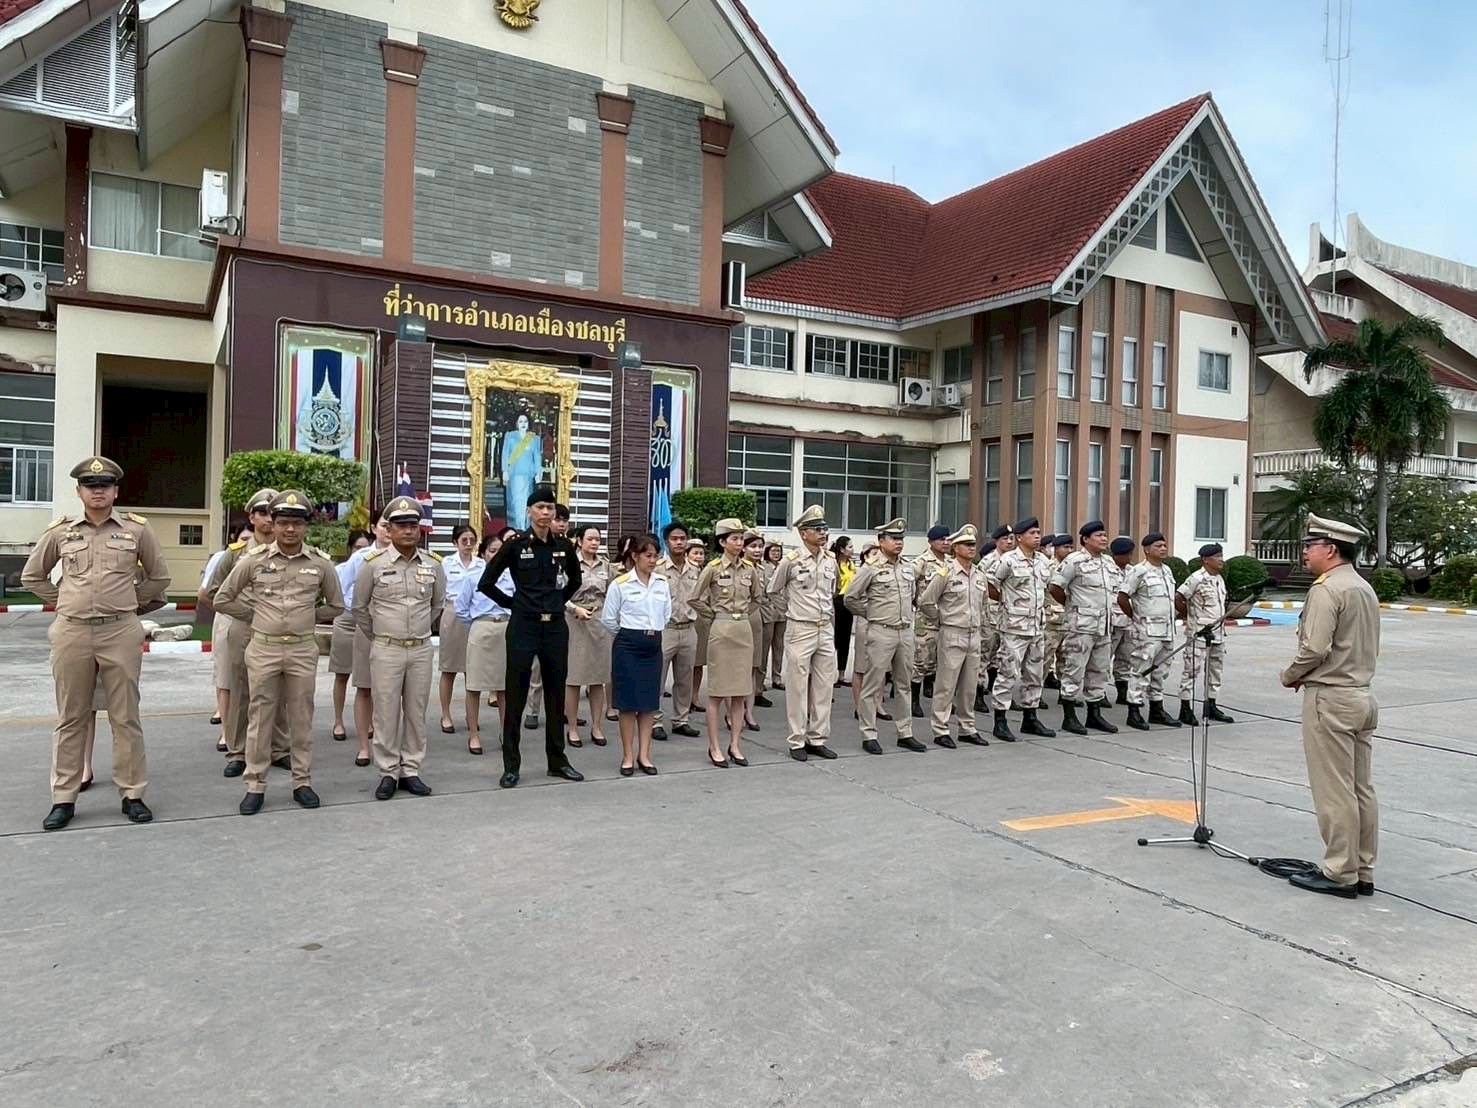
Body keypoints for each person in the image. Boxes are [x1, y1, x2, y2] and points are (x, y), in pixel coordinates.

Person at [25, 455, 170, 831]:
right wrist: (62, 598)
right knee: (71, 716)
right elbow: (32, 575)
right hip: (72, 630)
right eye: (91, 486)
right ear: (79, 492)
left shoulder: (136, 530)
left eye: (105, 485)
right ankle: (63, 798)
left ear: (116, 491)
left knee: (125, 717)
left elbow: (158, 577)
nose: (98, 490)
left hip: (120, 630)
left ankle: (133, 793)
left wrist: (131, 602)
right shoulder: (61, 532)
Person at [215, 491, 344, 815]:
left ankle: (302, 781)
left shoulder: (320, 563)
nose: (289, 530)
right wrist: (255, 615)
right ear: (272, 525)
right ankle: (255, 783)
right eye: (283, 522)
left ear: (306, 527)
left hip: (301, 648)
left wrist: (307, 617)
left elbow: (337, 604)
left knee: (301, 717)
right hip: (264, 649)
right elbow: (222, 597)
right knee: (260, 716)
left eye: (296, 523)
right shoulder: (253, 560)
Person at [1279, 515, 1381, 899]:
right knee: (1360, 789)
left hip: (1331, 698)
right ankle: (1363, 868)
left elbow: (1315, 648)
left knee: (1335, 790)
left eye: (1311, 545)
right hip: (1361, 695)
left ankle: (1340, 872)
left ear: (1331, 549)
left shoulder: (1327, 589)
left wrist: (1291, 675)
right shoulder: (1362, 587)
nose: (1306, 552)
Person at [479, 484, 584, 789]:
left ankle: (557, 760)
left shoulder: (564, 546)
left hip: (554, 627)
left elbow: (574, 580)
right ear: (529, 511)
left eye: (550, 508)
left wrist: (556, 599)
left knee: (555, 694)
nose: (546, 513)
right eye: (540, 507)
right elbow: (487, 583)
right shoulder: (515, 545)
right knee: (516, 695)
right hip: (523, 626)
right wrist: (515, 604)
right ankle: (511, 765)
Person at [354, 497, 445, 800]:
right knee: (386, 712)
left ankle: (411, 769)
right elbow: (360, 608)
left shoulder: (433, 564)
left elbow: (436, 606)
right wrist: (382, 633)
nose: (408, 531)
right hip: (387, 648)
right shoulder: (373, 565)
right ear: (389, 529)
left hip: (420, 648)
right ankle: (388, 771)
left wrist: (416, 631)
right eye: (401, 525)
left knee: (416, 712)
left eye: (413, 525)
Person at [207, 488, 294, 776]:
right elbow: (213, 592)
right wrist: (246, 613)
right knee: (241, 690)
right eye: (262, 513)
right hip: (244, 628)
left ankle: (279, 749)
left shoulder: (288, 550)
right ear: (252, 517)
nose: (269, 519)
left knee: (279, 690)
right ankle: (238, 751)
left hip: (279, 631)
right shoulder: (235, 554)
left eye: (273, 513)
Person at [768, 505, 840, 760]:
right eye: (817, 529)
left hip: (825, 627)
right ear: (803, 533)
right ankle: (797, 740)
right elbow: (773, 590)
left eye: (824, 529)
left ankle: (817, 738)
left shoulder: (831, 560)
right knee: (798, 687)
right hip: (801, 628)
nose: (823, 534)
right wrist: (791, 611)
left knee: (824, 686)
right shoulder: (792, 561)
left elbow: (835, 590)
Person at [844, 519, 922, 755]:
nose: (898, 543)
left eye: (901, 539)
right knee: (873, 683)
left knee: (904, 684)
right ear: (881, 541)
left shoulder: (908, 568)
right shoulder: (871, 568)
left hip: (905, 631)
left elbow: (913, 597)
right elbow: (851, 598)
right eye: (893, 539)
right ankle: (869, 733)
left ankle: (905, 732)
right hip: (881, 630)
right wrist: (871, 614)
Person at [690, 519, 762, 768]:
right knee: (717, 693)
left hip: (743, 630)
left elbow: (757, 598)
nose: (739, 543)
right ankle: (715, 746)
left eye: (741, 538)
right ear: (722, 542)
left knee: (740, 692)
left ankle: (735, 744)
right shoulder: (711, 568)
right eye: (734, 538)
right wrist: (714, 615)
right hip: (720, 631)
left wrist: (740, 616)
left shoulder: (749, 570)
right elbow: (695, 598)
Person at [602, 533, 672, 775]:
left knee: (648, 703)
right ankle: (628, 755)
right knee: (628, 705)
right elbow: (609, 620)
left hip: (653, 646)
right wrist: (631, 635)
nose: (652, 561)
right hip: (628, 645)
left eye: (655, 556)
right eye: (647, 555)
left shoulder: (662, 583)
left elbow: (666, 614)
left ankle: (645, 754)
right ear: (635, 556)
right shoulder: (620, 584)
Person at [987, 518, 1057, 743]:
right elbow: (991, 585)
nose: (1037, 536)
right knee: (1008, 673)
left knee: (1034, 675)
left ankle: (1030, 717)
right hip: (1014, 628)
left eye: (1038, 532)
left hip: (1037, 627)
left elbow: (1046, 589)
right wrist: (1008, 605)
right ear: (1020, 537)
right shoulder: (1008, 560)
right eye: (1032, 533)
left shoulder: (1043, 562)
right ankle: (1000, 720)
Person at [920, 524, 987, 748]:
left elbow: (983, 604)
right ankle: (940, 728)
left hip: (973, 634)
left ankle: (967, 728)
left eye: (973, 544)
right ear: (955, 548)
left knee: (969, 686)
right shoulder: (945, 573)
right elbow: (927, 601)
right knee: (946, 685)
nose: (971, 548)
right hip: (952, 633)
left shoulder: (979, 573)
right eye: (966, 545)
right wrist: (940, 620)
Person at [1050, 520, 1119, 736]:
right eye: (1098, 535)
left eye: (1105, 534)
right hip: (1081, 626)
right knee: (1074, 670)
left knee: (1099, 671)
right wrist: (1072, 607)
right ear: (1086, 539)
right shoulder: (1075, 561)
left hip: (1104, 626)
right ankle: (1069, 717)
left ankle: (1094, 715)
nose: (1104, 538)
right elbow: (1055, 587)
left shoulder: (1108, 562)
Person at [1116, 532, 1182, 731]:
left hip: (1167, 630)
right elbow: (1122, 597)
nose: (1163, 548)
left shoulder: (1167, 571)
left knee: (1161, 672)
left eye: (1164, 545)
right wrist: (1136, 617)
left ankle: (1156, 709)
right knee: (1141, 670)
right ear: (1146, 550)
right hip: (1147, 632)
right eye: (1158, 546)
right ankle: (1134, 711)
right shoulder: (1139, 571)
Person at [342, 516, 392, 765]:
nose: (388, 530)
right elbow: (342, 590)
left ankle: (388, 746)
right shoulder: (361, 558)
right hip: (367, 629)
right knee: (364, 687)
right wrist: (362, 616)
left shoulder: (407, 558)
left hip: (395, 633)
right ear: (374, 529)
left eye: (392, 525)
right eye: (384, 525)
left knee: (390, 692)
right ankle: (364, 746)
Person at [458, 532, 511, 755]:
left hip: (506, 629)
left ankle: (506, 733)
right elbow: (461, 608)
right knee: (474, 686)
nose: (496, 555)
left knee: (504, 687)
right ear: (483, 553)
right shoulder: (473, 577)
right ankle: (473, 734)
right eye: (492, 551)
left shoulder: (512, 575)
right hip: (481, 629)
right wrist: (479, 623)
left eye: (500, 551)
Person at [523, 503, 572, 730]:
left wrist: (559, 603)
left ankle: (558, 712)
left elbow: (573, 581)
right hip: (533, 617)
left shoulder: (566, 547)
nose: (560, 523)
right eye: (557, 519)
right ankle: (532, 710)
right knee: (535, 671)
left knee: (558, 673)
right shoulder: (526, 545)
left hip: (557, 616)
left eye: (564, 520)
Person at [1175, 544, 1235, 726]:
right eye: (1217, 556)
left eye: (1222, 556)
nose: (1221, 560)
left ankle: (1211, 705)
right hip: (1199, 633)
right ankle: (1186, 707)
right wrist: (1189, 617)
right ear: (1206, 559)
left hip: (1218, 633)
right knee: (1192, 670)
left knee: (1215, 671)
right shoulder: (1196, 578)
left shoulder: (1219, 579)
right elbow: (1179, 598)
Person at [200, 523, 250, 738]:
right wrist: (227, 611)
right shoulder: (225, 556)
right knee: (226, 677)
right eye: (243, 538)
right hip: (229, 618)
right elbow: (205, 593)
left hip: (261, 622)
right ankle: (227, 733)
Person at [652, 522, 701, 741]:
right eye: (674, 539)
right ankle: (654, 721)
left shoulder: (695, 569)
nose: (679, 542)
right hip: (665, 630)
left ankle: (681, 720)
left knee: (685, 678)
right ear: (667, 541)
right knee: (657, 678)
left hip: (689, 629)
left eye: (682, 538)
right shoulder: (658, 568)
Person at [565, 523, 612, 748]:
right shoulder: (569, 563)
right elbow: (559, 593)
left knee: (598, 678)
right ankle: (572, 727)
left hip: (600, 622)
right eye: (590, 539)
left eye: (597, 539)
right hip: (575, 620)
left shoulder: (606, 565)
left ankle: (597, 726)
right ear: (579, 540)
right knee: (573, 678)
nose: (594, 543)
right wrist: (575, 609)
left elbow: (613, 593)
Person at [327, 529, 372, 743]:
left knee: (366, 678)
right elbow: (338, 594)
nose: (361, 553)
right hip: (346, 619)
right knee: (342, 674)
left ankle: (368, 721)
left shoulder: (375, 565)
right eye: (357, 548)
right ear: (350, 549)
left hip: (368, 622)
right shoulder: (341, 569)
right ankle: (338, 720)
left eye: (365, 548)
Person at [437, 523, 482, 735]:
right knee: (449, 668)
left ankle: (471, 714)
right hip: (452, 613)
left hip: (474, 615)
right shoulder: (446, 563)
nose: (468, 544)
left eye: (471, 540)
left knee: (472, 669)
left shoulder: (481, 564)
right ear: (455, 542)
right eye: (464, 540)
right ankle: (445, 714)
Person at [911, 525, 951, 716]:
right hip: (926, 619)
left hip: (947, 619)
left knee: (942, 661)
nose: (945, 543)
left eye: (947, 539)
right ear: (930, 542)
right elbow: (909, 584)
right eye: (940, 540)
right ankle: (913, 701)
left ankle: (940, 698)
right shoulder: (922, 562)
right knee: (921, 661)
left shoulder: (951, 563)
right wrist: (917, 603)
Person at [975, 525, 1015, 711]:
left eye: (1011, 538)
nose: (1008, 542)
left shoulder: (1014, 560)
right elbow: (984, 587)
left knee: (1002, 656)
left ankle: (997, 690)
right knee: (984, 654)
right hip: (990, 614)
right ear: (996, 541)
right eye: (1004, 539)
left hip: (1007, 616)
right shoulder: (988, 561)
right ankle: (978, 693)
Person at [1107, 537, 1137, 706]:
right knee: (1104, 659)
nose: (1130, 557)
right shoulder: (1107, 569)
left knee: (1125, 659)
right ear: (1117, 555)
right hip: (1111, 621)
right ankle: (1099, 692)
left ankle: (1122, 691)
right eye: (1127, 554)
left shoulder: (1132, 571)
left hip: (1127, 621)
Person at [742, 530, 767, 729]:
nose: (757, 550)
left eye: (760, 546)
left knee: (752, 668)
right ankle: (732, 712)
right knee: (735, 669)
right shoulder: (737, 567)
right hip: (737, 619)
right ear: (743, 547)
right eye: (753, 546)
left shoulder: (763, 569)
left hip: (756, 619)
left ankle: (748, 712)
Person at [501, 411, 542, 530]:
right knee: (515, 502)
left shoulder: (534, 438)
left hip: (527, 476)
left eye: (525, 421)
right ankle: (515, 528)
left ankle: (525, 527)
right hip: (513, 475)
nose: (523, 424)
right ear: (516, 423)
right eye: (520, 421)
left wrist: (538, 473)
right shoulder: (510, 436)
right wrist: (505, 471)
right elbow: (505, 454)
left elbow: (537, 457)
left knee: (526, 502)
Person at [1042, 534, 1073, 689]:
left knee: (1066, 659)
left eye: (1071, 547)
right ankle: (1035, 693)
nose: (1069, 551)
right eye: (1065, 547)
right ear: (1056, 549)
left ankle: (1065, 693)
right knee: (1045, 658)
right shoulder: (1048, 567)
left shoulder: (1073, 567)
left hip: (1068, 620)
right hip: (1051, 620)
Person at [759, 541, 787, 693]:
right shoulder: (763, 567)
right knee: (765, 647)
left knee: (779, 646)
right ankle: (760, 679)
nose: (776, 553)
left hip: (782, 612)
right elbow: (763, 591)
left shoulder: (784, 566)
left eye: (778, 551)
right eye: (773, 551)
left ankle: (777, 677)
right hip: (768, 611)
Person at [687, 538, 710, 700]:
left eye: (701, 553)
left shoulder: (707, 571)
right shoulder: (685, 571)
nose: (698, 556)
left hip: (703, 621)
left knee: (699, 663)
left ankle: (694, 696)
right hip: (687, 620)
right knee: (685, 665)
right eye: (695, 553)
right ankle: (685, 697)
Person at [831, 535, 857, 685]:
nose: (852, 550)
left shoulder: (851, 564)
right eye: (850, 547)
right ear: (841, 549)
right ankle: (830, 673)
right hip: (837, 601)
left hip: (848, 602)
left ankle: (841, 674)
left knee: (845, 639)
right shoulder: (834, 564)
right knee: (834, 638)